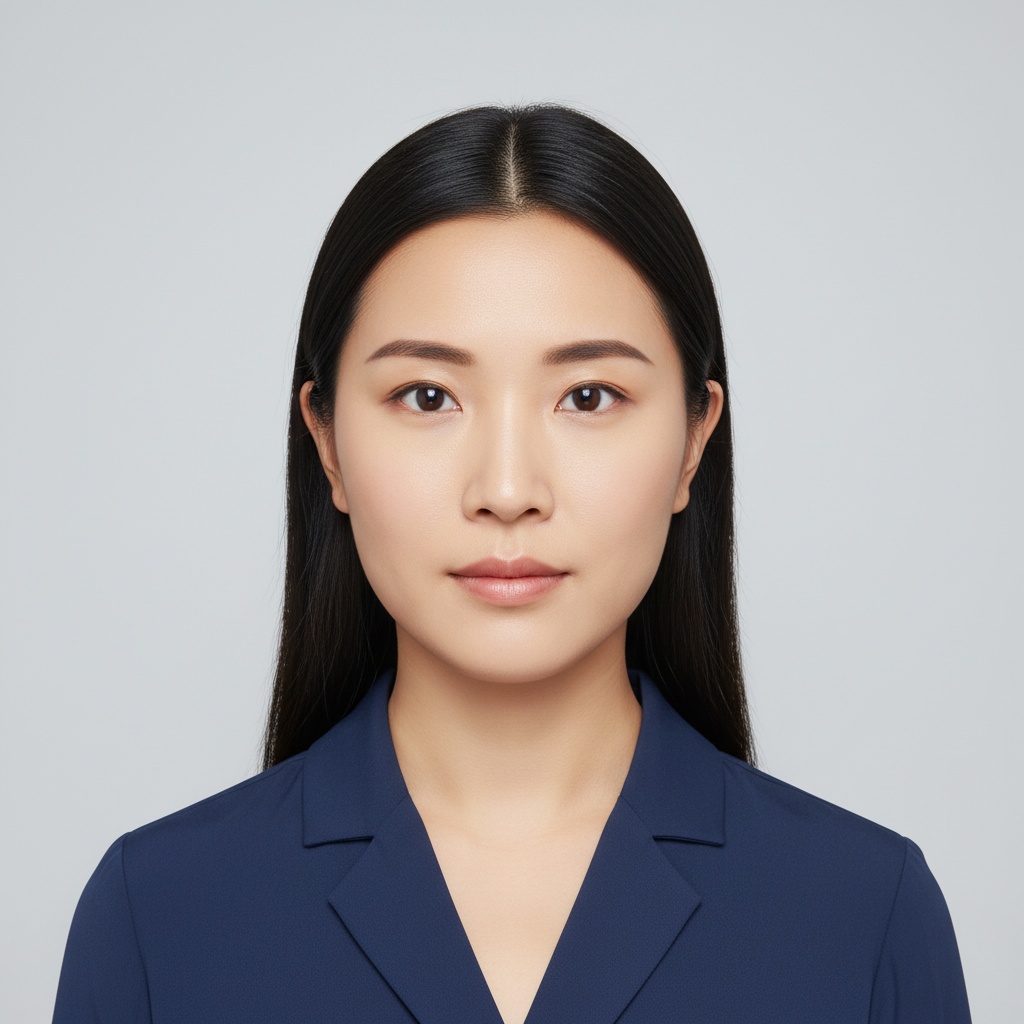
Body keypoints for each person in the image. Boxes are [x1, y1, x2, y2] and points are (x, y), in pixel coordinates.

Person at [52, 103, 972, 1024]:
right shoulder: (160, 915)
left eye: (588, 395)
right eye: (427, 395)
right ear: (327, 444)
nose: (505, 487)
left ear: (695, 441)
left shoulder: (865, 915)